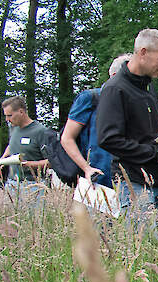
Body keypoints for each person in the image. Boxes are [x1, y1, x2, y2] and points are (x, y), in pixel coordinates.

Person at [96, 28, 158, 227]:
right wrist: (155, 154)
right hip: (133, 183)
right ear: (143, 52)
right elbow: (108, 139)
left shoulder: (148, 87)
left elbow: (150, 134)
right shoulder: (115, 89)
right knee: (147, 245)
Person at [60, 53, 130, 188]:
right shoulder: (90, 98)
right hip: (97, 181)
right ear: (115, 76)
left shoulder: (134, 103)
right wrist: (86, 169)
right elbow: (67, 138)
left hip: (129, 181)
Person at [0, 96, 50, 206]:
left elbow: (52, 161)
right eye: (5, 116)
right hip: (12, 183)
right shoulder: (13, 127)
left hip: (34, 185)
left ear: (21, 112)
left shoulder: (41, 131)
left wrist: (31, 165)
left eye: (9, 115)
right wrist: (2, 159)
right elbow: (12, 145)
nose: (7, 119)